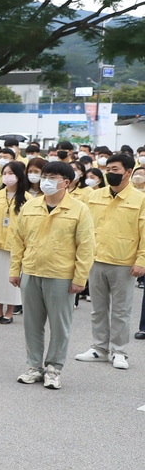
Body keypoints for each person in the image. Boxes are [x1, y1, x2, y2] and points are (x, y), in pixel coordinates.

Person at [11, 160, 94, 389]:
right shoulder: (31, 206)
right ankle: (33, 366)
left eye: (53, 177)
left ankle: (54, 368)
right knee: (31, 324)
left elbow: (86, 246)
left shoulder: (79, 209)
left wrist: (80, 279)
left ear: (66, 183)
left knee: (59, 326)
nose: (46, 181)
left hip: (61, 276)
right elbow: (18, 240)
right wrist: (15, 269)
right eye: (44, 176)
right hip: (31, 271)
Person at [76, 153, 144, 370]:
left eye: (115, 170)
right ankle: (99, 348)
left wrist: (141, 260)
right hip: (95, 259)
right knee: (97, 308)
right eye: (108, 169)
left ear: (128, 172)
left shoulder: (140, 199)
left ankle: (119, 351)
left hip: (124, 261)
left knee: (121, 310)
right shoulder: (95, 196)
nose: (110, 173)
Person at [0, 160, 27, 324]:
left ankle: (10, 311)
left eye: (11, 173)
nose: (7, 177)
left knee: (11, 279)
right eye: (4, 173)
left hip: (15, 246)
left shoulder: (27, 198)